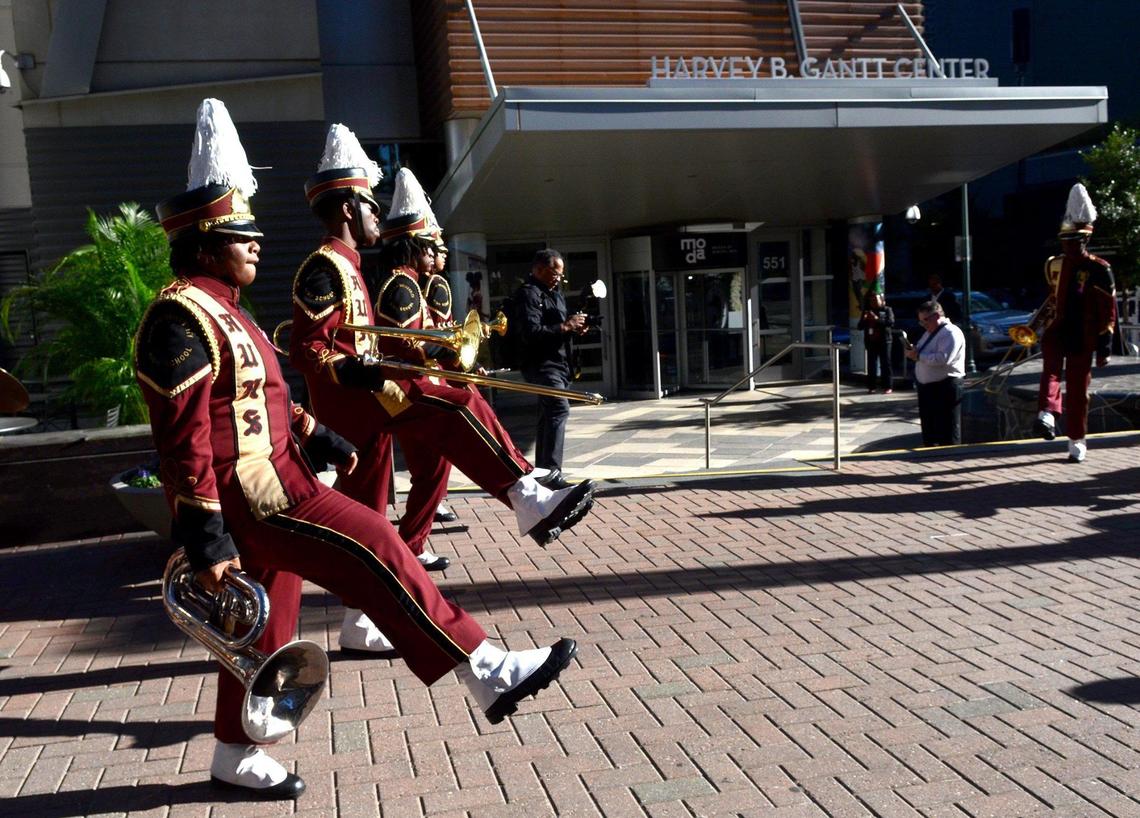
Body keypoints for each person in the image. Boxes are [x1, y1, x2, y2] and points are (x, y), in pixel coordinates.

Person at [140, 100, 578, 799]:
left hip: (276, 474)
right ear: (201, 241)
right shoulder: (177, 315)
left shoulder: (227, 311)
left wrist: (322, 433)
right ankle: (484, 666)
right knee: (377, 540)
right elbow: (183, 436)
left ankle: (236, 752)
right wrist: (207, 537)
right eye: (239, 230)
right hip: (254, 493)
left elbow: (263, 399)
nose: (255, 240)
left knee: (265, 628)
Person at [1033, 183, 1116, 463]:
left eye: (1074, 241)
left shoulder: (1100, 269)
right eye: (1065, 241)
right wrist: (1034, 326)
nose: (1068, 245)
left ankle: (1076, 440)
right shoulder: (1053, 264)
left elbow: (1109, 311)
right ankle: (1047, 413)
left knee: (1079, 388)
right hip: (1057, 329)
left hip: (1084, 333)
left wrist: (1104, 347)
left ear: (1085, 241)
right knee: (1051, 372)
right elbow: (1052, 299)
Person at [517, 249, 588, 488]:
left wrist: (575, 327)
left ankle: (542, 474)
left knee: (548, 415)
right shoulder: (529, 294)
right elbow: (532, 333)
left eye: (561, 275)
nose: (558, 278)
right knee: (559, 408)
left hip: (561, 364)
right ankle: (553, 473)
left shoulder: (555, 293)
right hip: (542, 365)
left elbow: (561, 323)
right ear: (538, 269)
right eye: (553, 273)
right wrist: (565, 326)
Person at [905, 300, 965, 446]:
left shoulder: (950, 332)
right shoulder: (929, 333)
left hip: (945, 386)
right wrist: (914, 351)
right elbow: (923, 351)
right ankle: (931, 456)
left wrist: (918, 356)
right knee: (930, 429)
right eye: (921, 321)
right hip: (929, 388)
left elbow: (943, 359)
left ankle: (948, 457)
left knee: (947, 429)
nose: (924, 324)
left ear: (937, 315)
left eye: (926, 320)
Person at [857, 291, 894, 393]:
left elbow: (890, 323)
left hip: (885, 341)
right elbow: (859, 327)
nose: (873, 302)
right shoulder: (867, 311)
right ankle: (871, 386)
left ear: (881, 300)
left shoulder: (887, 310)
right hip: (871, 341)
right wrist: (864, 320)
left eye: (876, 300)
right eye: (871, 300)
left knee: (885, 364)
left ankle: (888, 386)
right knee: (871, 364)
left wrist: (877, 319)